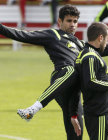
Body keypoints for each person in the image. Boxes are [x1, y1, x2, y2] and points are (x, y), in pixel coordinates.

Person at [0, 5, 84, 140]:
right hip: (60, 78)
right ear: (59, 22)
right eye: (69, 21)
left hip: (74, 90)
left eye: (75, 21)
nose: (72, 24)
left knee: (76, 133)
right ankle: (33, 109)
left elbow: (106, 49)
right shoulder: (53, 35)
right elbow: (22, 35)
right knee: (71, 70)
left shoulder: (80, 44)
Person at [71, 22, 108, 140]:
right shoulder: (90, 57)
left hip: (98, 112)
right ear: (100, 37)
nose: (107, 42)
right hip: (99, 114)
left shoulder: (88, 54)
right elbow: (91, 82)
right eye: (107, 38)